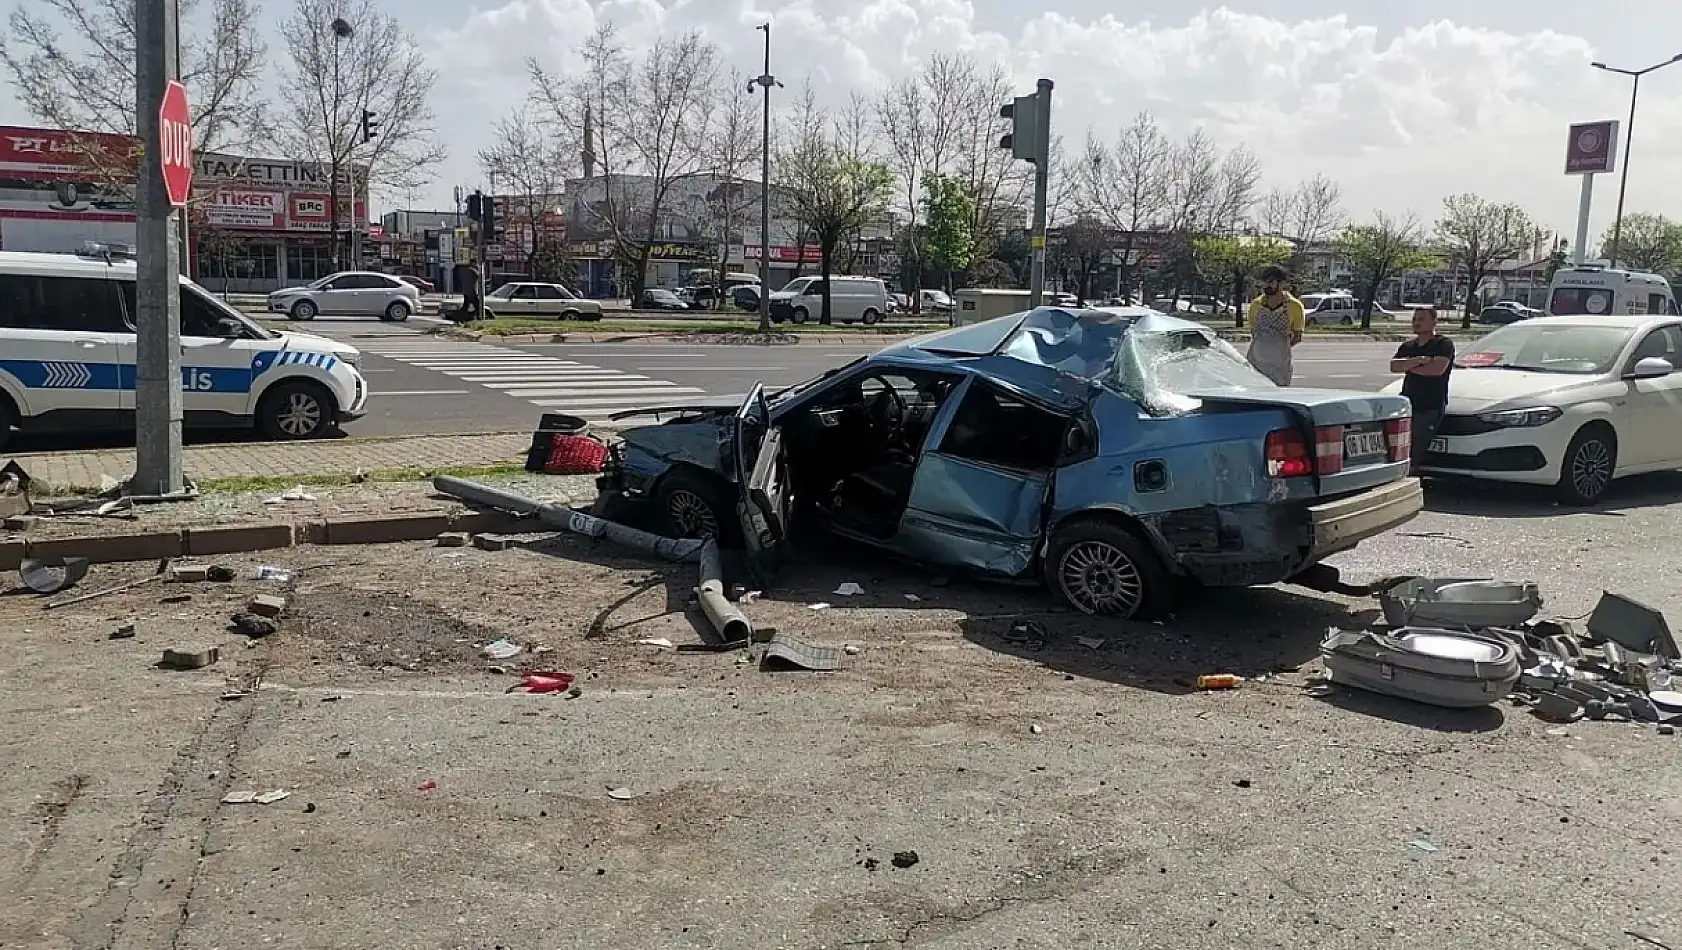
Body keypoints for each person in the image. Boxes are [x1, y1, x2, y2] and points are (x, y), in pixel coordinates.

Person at [1391, 307, 1455, 474]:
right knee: (1400, 445)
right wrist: (1419, 361)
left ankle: (1410, 477)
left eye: (1421, 319)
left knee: (1417, 446)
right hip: (1408, 403)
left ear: (1434, 322)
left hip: (1430, 405)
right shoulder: (1408, 346)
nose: (1416, 323)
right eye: (1414, 319)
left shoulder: (1442, 344)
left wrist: (1408, 366)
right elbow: (1394, 365)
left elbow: (1436, 370)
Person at [1245, 265, 1305, 385]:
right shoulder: (1255, 305)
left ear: (1282, 284)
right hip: (1256, 363)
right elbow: (1254, 333)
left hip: (1280, 366)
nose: (1266, 286)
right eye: (1264, 282)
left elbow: (1297, 336)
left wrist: (1278, 347)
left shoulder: (1295, 306)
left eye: (1271, 281)